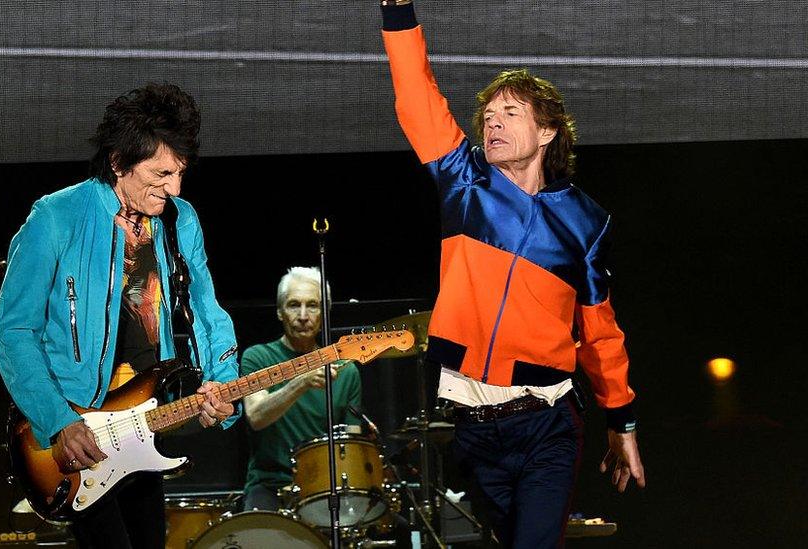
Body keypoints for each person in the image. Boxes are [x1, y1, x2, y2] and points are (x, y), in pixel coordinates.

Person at [378, 1, 646, 547]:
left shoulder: (585, 221)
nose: (493, 122)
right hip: (473, 430)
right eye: (488, 116)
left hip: (546, 424)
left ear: (547, 131)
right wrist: (397, 10)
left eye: (511, 113)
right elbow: (416, 97)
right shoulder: (463, 181)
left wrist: (623, 422)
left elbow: (599, 331)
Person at [0, 82, 239, 549]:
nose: (175, 187)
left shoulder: (179, 219)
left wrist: (221, 381)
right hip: (77, 427)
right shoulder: (55, 216)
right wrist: (57, 420)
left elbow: (207, 309)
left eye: (181, 172)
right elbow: (12, 331)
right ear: (119, 162)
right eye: (161, 173)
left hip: (145, 421)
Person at [240, 266, 363, 512]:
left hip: (326, 487)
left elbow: (351, 441)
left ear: (325, 312)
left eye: (313, 305)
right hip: (270, 485)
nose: (304, 315)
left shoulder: (346, 370)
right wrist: (301, 381)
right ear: (279, 312)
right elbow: (256, 417)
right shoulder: (257, 358)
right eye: (294, 305)